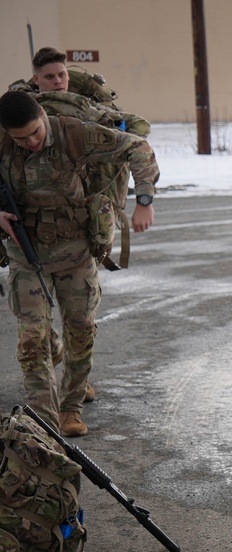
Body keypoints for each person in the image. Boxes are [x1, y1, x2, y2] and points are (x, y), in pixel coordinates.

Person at [0, 91, 159, 436]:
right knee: (32, 339)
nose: (30, 142)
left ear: (42, 114)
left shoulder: (75, 133)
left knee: (80, 330)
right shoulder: (3, 144)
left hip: (75, 251)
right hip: (25, 254)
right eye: (20, 138)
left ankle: (71, 406)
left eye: (35, 133)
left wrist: (143, 199)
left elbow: (138, 149)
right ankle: (44, 420)